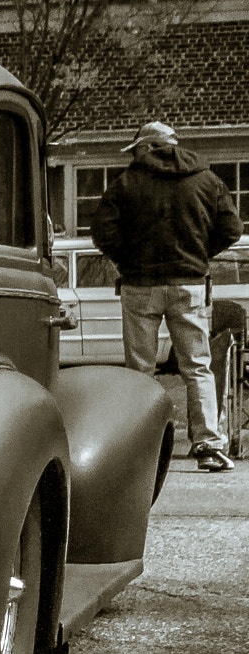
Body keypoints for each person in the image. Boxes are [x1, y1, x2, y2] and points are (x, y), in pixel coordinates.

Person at [94, 120, 244, 471]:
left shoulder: (126, 183)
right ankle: (208, 445)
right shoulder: (208, 180)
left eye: (135, 150)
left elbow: (102, 232)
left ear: (146, 148)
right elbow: (233, 229)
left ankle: (139, 446)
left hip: (139, 286)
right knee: (197, 367)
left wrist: (126, 260)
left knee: (139, 370)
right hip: (189, 284)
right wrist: (200, 256)